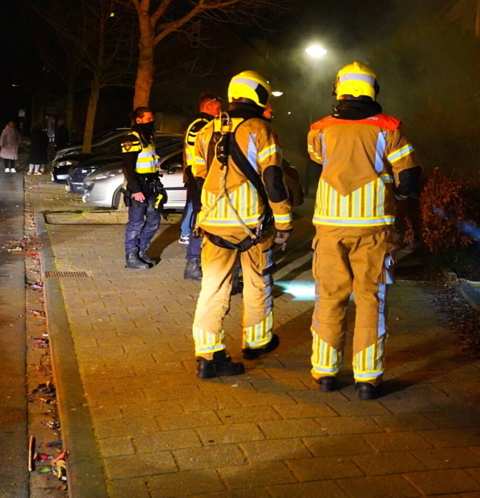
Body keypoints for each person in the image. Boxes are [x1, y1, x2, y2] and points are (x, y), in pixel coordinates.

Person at [306, 62, 420, 400]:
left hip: (329, 228)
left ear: (338, 90)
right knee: (371, 300)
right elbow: (409, 175)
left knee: (329, 297)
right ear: (373, 90)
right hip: (373, 228)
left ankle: (325, 372)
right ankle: (367, 380)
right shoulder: (388, 129)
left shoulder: (320, 129)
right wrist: (398, 194)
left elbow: (318, 159)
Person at [190, 70, 294, 379]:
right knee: (257, 281)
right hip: (252, 225)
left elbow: (197, 178)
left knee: (212, 289)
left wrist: (202, 215)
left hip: (213, 225)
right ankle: (257, 341)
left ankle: (208, 356)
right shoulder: (262, 130)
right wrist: (284, 222)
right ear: (258, 94)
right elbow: (273, 179)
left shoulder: (207, 131)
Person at [180, 92, 222, 282]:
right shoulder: (202, 126)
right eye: (218, 108)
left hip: (200, 180)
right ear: (207, 107)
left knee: (204, 220)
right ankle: (193, 264)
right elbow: (204, 156)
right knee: (201, 220)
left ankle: (202, 262)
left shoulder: (200, 125)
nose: (220, 112)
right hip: (201, 181)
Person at [121, 107, 164, 270]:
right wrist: (135, 189)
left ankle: (141, 251)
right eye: (148, 119)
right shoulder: (132, 139)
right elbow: (128, 167)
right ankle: (131, 256)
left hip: (152, 185)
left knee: (154, 221)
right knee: (136, 223)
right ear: (138, 120)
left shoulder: (149, 138)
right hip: (139, 186)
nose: (151, 121)